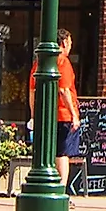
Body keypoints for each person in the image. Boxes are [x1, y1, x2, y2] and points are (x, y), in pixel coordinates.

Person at [30, 28, 79, 186]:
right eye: (70, 43)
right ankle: (62, 189)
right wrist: (74, 115)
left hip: (44, 115)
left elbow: (32, 91)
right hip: (63, 116)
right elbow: (64, 90)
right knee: (62, 154)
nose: (71, 46)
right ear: (64, 43)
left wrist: (33, 114)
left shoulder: (39, 62)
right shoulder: (63, 61)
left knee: (48, 153)